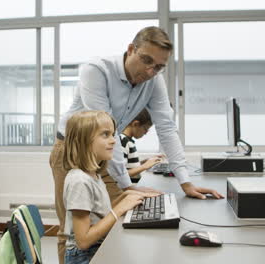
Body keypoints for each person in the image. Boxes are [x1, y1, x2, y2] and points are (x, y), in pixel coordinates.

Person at [50, 26, 223, 264]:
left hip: (106, 147)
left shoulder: (154, 81)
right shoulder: (98, 70)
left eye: (159, 67)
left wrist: (186, 182)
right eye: (146, 60)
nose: (151, 71)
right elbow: (105, 125)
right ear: (131, 49)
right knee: (70, 229)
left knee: (113, 222)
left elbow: (166, 127)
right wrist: (126, 185)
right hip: (73, 148)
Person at [62, 111, 153, 264]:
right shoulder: (79, 181)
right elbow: (83, 240)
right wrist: (119, 209)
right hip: (84, 256)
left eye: (113, 134)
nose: (113, 141)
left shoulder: (93, 175)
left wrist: (126, 197)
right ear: (83, 141)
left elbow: (99, 215)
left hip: (95, 248)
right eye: (105, 135)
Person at [120, 109, 163, 183]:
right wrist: (145, 166)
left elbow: (129, 166)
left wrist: (144, 162)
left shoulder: (129, 141)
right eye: (145, 129)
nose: (146, 133)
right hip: (127, 191)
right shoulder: (122, 141)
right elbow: (121, 174)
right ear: (135, 124)